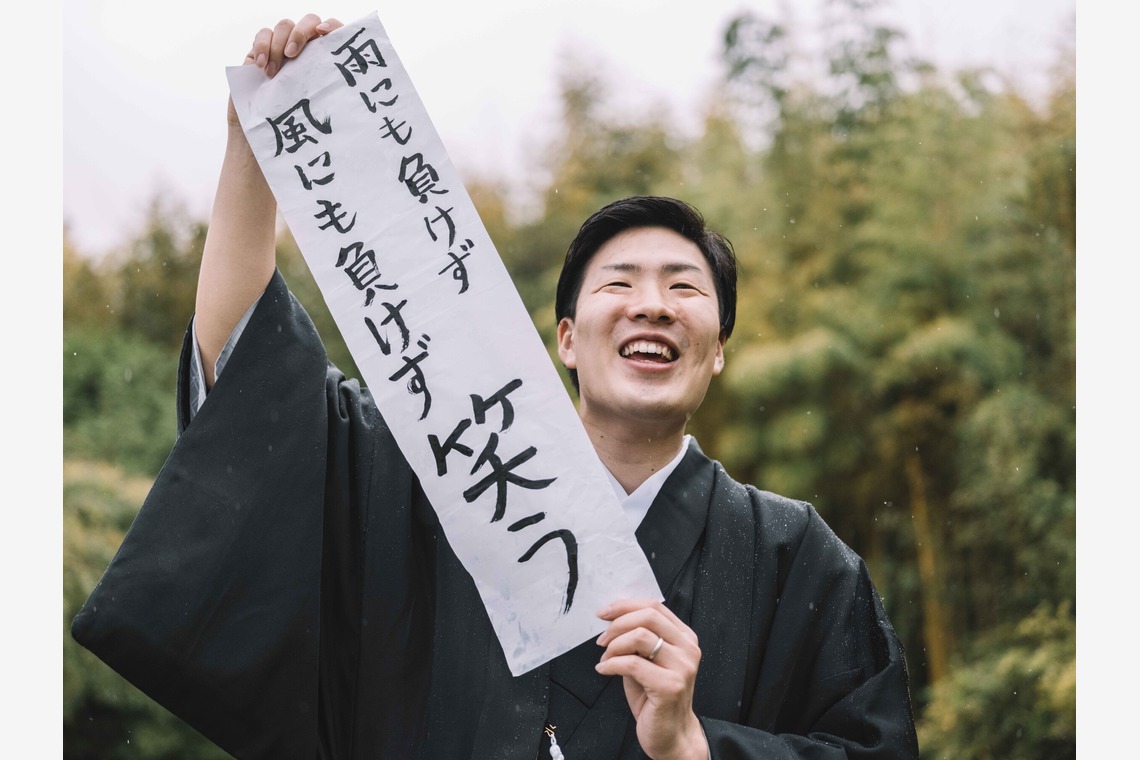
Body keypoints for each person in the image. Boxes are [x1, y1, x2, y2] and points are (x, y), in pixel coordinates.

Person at [72, 13, 919, 760]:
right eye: (619, 284)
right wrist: (254, 150)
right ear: (566, 340)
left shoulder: (794, 558)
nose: (653, 306)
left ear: (720, 350)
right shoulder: (432, 477)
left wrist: (696, 748)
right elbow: (248, 386)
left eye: (685, 289)